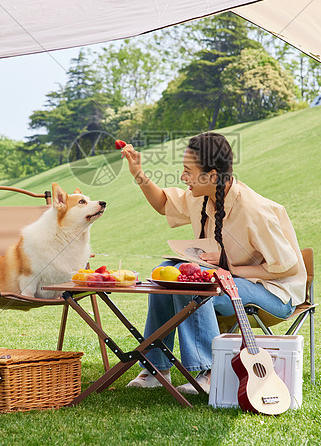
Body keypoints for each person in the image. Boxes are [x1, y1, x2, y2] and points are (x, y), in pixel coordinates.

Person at [121, 132, 307, 394]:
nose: (183, 178)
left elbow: (289, 268)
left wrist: (228, 267)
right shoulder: (200, 195)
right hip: (231, 281)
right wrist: (138, 173)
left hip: (274, 291)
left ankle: (210, 372)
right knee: (166, 275)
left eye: (188, 171)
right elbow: (164, 204)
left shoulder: (254, 210)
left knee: (198, 286)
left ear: (212, 176)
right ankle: (156, 368)